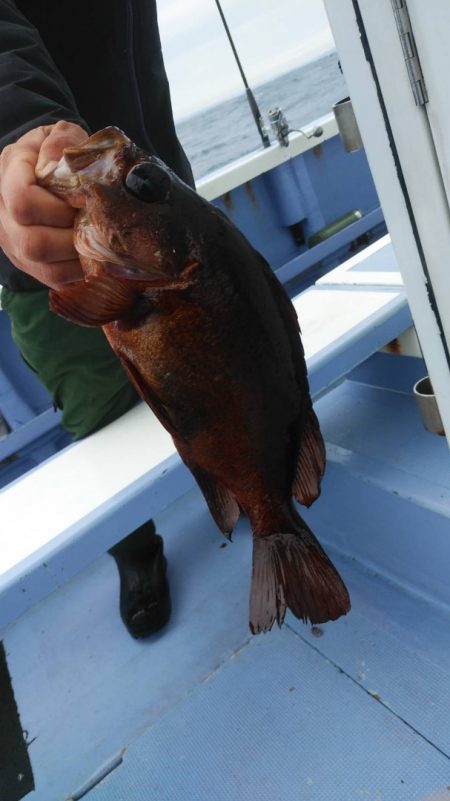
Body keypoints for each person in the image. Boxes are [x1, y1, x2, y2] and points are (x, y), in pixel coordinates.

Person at [0, 1, 195, 638]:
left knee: (212, 374)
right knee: (98, 414)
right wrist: (23, 130)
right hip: (46, 244)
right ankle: (137, 552)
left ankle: (248, 483)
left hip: (162, 204)